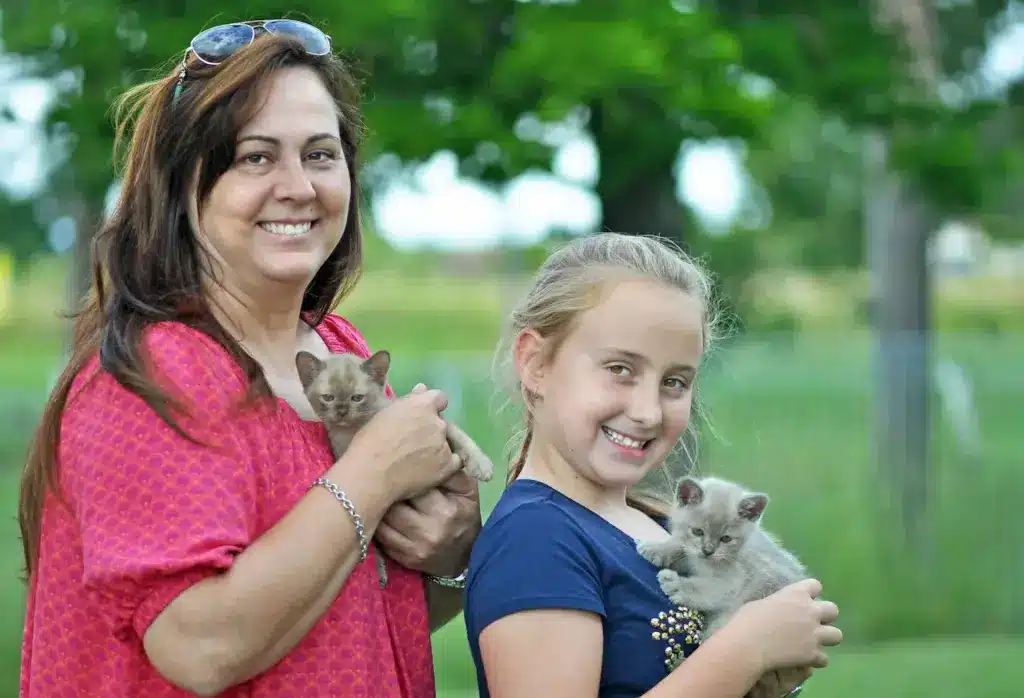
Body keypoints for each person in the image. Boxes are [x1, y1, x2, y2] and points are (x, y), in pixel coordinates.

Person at [18, 20, 482, 698]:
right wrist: (375, 472)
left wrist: (449, 558)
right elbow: (200, 647)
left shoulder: (339, 351)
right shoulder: (148, 380)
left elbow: (362, 614)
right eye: (255, 158)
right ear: (183, 185)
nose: (298, 187)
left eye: (321, 155)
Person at [464, 233, 843, 698]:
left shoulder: (660, 525)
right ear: (535, 362)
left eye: (675, 381)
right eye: (620, 369)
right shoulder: (535, 541)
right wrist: (745, 652)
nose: (648, 411)